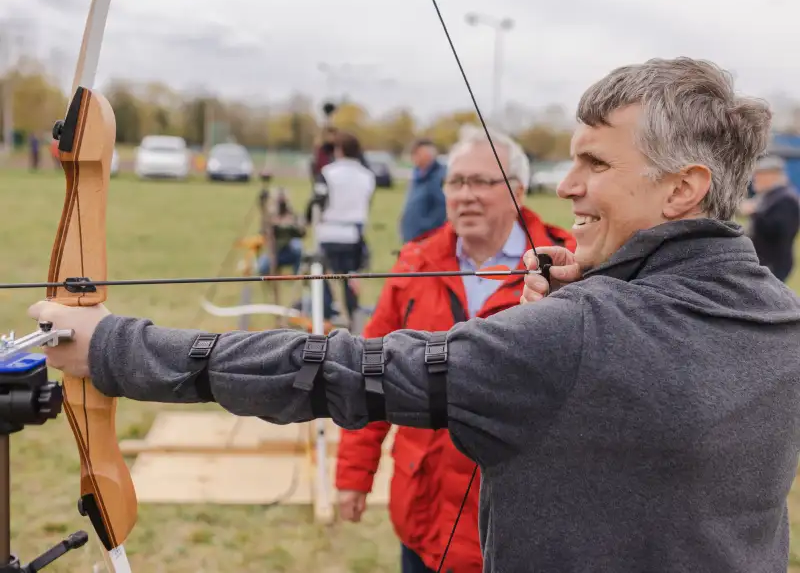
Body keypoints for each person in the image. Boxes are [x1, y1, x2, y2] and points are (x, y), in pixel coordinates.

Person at [30, 57, 800, 573]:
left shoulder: (582, 332)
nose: (566, 187)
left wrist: (117, 347)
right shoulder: (778, 318)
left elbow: (336, 369)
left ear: (681, 188)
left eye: (596, 163)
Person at [335, 125, 575, 573]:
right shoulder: (415, 263)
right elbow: (368, 371)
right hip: (425, 518)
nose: (466, 195)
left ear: (518, 192)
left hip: (519, 527)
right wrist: (354, 474)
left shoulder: (570, 266)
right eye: (456, 182)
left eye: (483, 182)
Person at [313, 131, 375, 324]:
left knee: (321, 277)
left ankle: (324, 317)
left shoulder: (328, 173)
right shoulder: (367, 176)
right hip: (353, 235)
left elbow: (318, 202)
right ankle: (352, 316)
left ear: (339, 150)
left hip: (328, 233)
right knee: (351, 278)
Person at [739, 155, 800, 282]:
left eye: (759, 175)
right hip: (762, 260)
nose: (754, 179)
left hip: (773, 264)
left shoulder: (787, 198)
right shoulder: (770, 195)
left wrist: (754, 212)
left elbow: (780, 231)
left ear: (772, 176)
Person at [399, 139, 447, 243]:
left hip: (427, 239)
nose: (414, 157)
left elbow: (442, 207)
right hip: (411, 237)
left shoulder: (439, 177)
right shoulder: (417, 175)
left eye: (418, 153)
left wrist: (426, 229)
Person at [257, 188, 305, 275]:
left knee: (298, 247)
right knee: (262, 267)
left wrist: (294, 224)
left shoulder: (292, 215)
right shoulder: (271, 215)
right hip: (274, 252)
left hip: (288, 252)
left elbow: (301, 232)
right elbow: (263, 231)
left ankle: (297, 276)